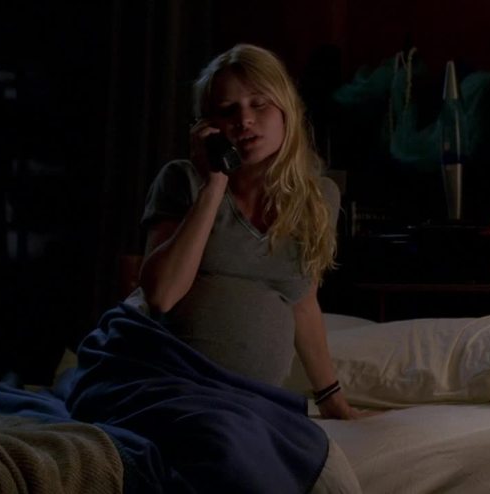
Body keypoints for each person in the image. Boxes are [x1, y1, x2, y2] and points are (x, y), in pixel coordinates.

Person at [137, 43, 359, 422]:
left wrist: (332, 400)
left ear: (286, 110)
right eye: (228, 110)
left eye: (259, 104)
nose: (244, 120)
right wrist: (213, 186)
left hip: (252, 402)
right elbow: (161, 295)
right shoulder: (182, 181)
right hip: (172, 381)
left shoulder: (319, 199)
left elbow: (303, 304)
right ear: (207, 127)